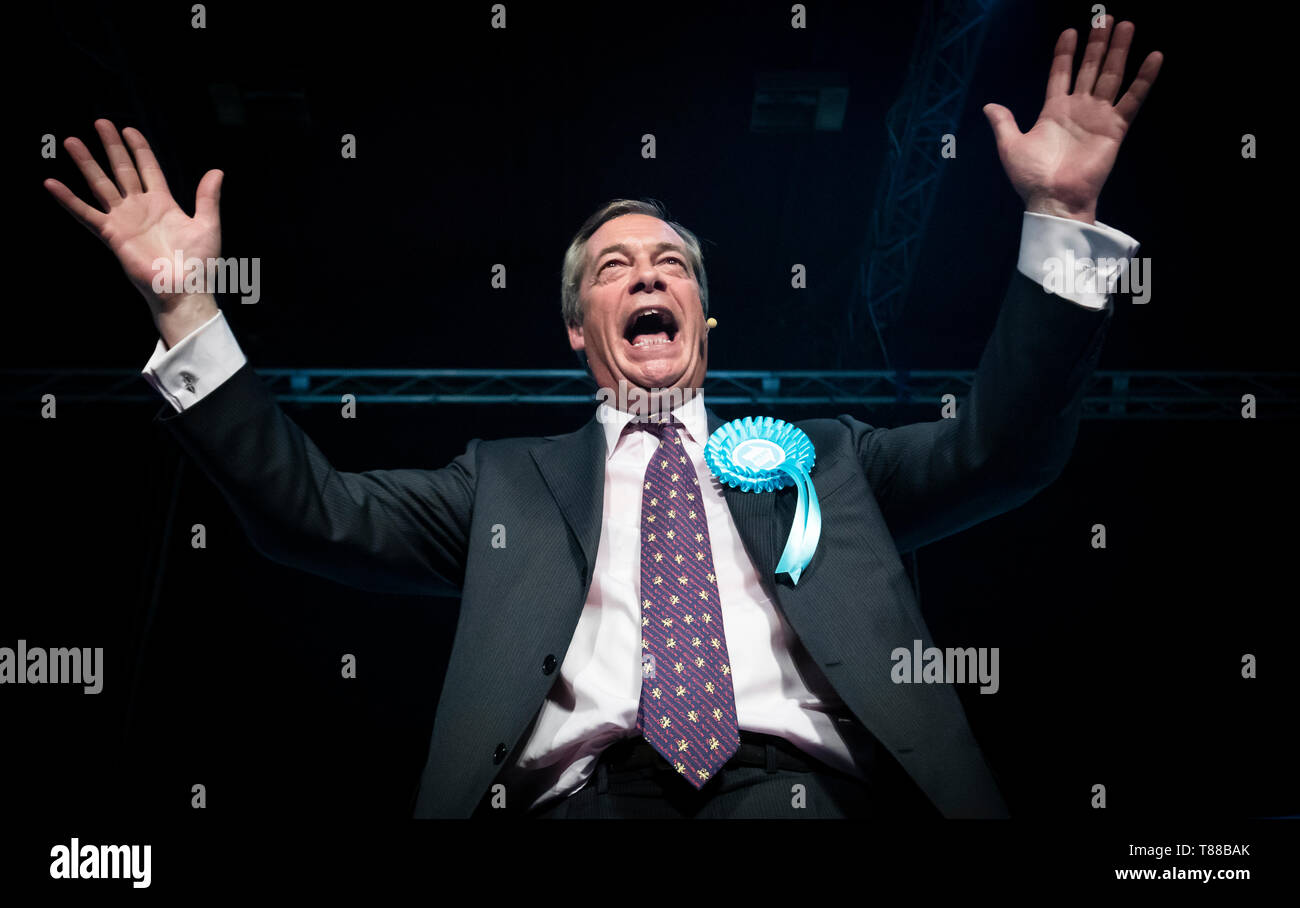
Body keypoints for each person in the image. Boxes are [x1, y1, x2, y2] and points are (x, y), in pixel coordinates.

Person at [44, 17, 1161, 818]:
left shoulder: (831, 459)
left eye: (670, 263)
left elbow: (1003, 445)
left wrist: (1060, 220)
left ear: (703, 316)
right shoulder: (500, 481)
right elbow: (308, 511)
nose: (647, 276)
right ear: (578, 325)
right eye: (616, 267)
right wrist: (188, 305)